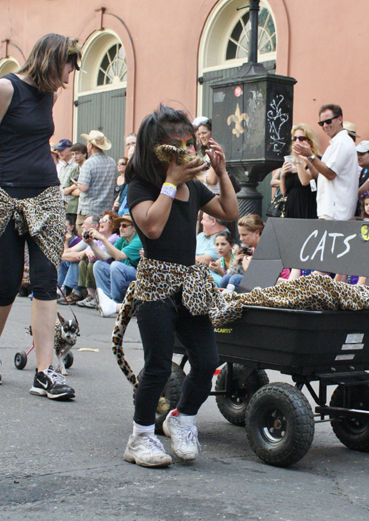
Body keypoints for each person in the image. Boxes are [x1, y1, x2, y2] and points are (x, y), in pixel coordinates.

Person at [123, 104, 237, 467]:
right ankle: (140, 437)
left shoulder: (192, 186)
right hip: (155, 283)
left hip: (188, 284)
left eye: (191, 142)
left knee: (207, 361)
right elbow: (152, 227)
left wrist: (221, 173)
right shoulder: (141, 184)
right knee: (157, 365)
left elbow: (230, 213)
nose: (189, 150)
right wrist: (170, 182)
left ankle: (182, 419)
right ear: (158, 147)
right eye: (179, 144)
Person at [0, 33, 80, 399]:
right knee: (8, 281)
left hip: (47, 194)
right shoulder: (7, 88)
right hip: (5, 195)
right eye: (69, 68)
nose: (69, 78)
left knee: (47, 280)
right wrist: (4, 182)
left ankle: (46, 372)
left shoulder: (48, 94)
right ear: (52, 59)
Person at [293, 104, 359, 221]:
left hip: (337, 211)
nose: (325, 126)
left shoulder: (342, 143)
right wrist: (306, 159)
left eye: (328, 121)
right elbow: (321, 174)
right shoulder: (334, 144)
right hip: (329, 210)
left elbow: (330, 174)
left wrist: (311, 156)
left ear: (340, 119)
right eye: (321, 123)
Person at [94, 213, 143, 317]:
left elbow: (119, 256)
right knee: (99, 265)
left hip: (140, 278)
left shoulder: (138, 240)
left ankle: (117, 303)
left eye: (124, 226)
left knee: (116, 265)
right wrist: (91, 243)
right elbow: (103, 256)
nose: (120, 228)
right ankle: (106, 301)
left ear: (134, 228)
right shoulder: (122, 239)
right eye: (120, 226)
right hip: (128, 276)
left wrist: (103, 239)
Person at [76, 130, 118, 231]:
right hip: (105, 210)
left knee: (84, 236)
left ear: (91, 146)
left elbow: (84, 187)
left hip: (88, 210)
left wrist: (77, 184)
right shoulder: (112, 162)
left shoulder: (88, 163)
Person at [281, 123, 319, 220]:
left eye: (301, 138)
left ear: (309, 142)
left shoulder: (314, 160)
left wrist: (298, 157)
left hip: (308, 204)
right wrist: (282, 175)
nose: (297, 141)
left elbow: (305, 181)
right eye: (294, 138)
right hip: (291, 206)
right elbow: (284, 192)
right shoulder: (291, 160)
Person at [220, 214, 264, 291]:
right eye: (240, 235)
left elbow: (265, 277)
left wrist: (247, 268)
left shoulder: (266, 249)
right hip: (256, 281)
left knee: (235, 279)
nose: (241, 239)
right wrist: (235, 263)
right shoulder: (251, 250)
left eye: (244, 235)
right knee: (225, 279)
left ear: (257, 233)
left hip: (272, 284)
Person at [60, 143, 84, 229]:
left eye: (77, 153)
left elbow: (83, 191)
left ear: (84, 154)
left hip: (83, 207)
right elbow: (65, 191)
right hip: (71, 207)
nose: (75, 156)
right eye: (73, 154)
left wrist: (75, 189)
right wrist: (74, 186)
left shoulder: (87, 167)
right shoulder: (75, 169)